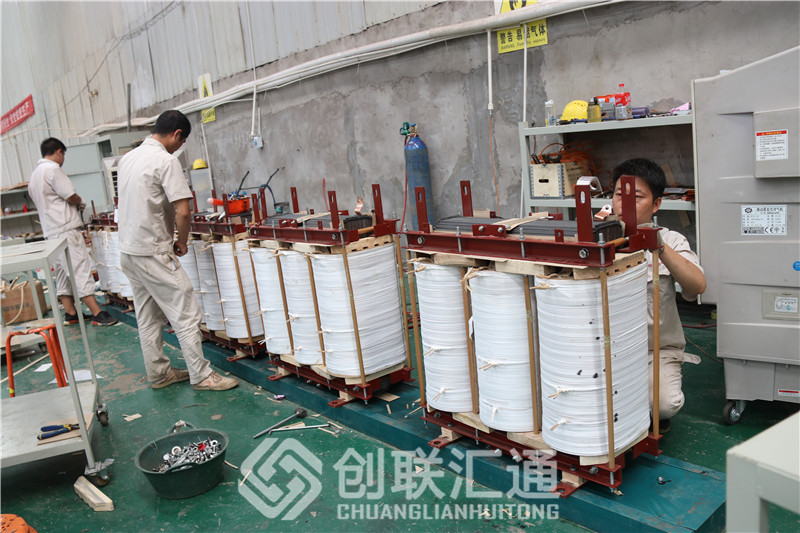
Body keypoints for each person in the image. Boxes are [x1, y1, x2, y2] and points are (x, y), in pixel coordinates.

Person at [117, 110, 238, 391]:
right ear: (176, 134)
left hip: (129, 250)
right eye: (181, 142)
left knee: (148, 316)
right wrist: (181, 241)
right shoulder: (165, 161)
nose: (179, 148)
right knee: (186, 312)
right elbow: (183, 211)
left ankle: (159, 374)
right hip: (153, 251)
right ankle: (201, 375)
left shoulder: (127, 158)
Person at [611, 158, 706, 432]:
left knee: (663, 404)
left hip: (656, 350)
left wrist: (659, 246)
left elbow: (697, 285)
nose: (624, 204)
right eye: (618, 195)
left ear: (656, 204)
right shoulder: (598, 240)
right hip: (609, 348)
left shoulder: (672, 240)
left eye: (636, 197)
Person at [28, 138, 118, 326]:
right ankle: (97, 313)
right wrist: (81, 202)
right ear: (59, 152)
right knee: (79, 270)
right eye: (63, 155)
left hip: (51, 232)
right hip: (66, 229)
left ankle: (71, 313)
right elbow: (70, 195)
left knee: (62, 273)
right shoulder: (53, 170)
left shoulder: (35, 175)